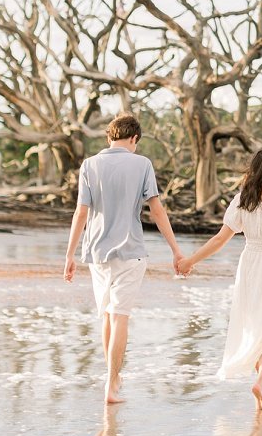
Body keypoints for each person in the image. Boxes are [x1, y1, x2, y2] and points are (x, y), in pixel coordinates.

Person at [64, 113, 185, 404]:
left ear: (109, 136)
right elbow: (156, 210)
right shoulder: (142, 164)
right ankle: (112, 382)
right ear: (134, 138)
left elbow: (81, 212)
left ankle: (112, 379)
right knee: (120, 318)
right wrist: (176, 250)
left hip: (96, 254)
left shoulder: (89, 165)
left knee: (107, 315)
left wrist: (69, 254)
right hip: (130, 252)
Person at [179, 147, 262, 410]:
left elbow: (220, 239)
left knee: (256, 326)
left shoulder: (243, 200)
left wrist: (190, 260)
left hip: (251, 266)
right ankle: (261, 382)